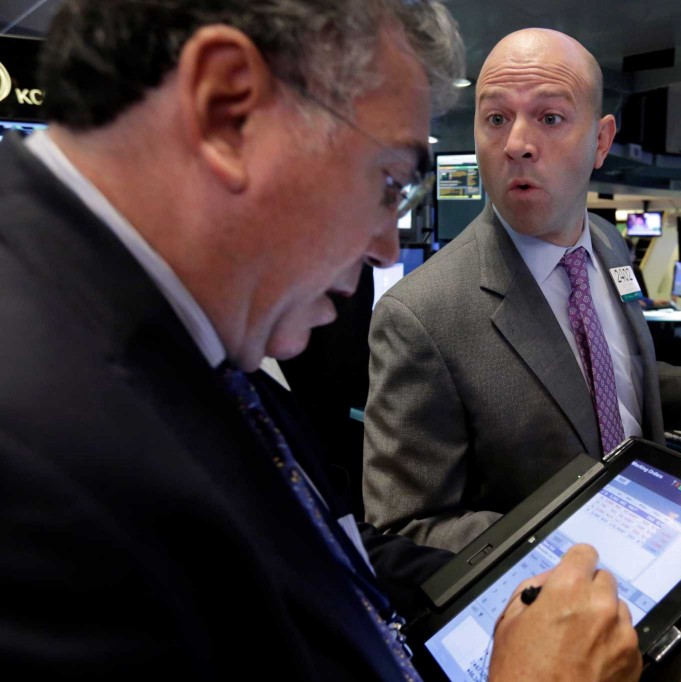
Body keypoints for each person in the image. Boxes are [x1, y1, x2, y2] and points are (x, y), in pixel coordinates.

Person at [0, 4, 640, 680]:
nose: (385, 245)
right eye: (389, 180)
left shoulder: (162, 328)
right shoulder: (32, 453)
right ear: (227, 109)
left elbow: (328, 550)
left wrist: (519, 575)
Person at [363, 28, 681, 552]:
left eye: (550, 118)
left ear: (601, 140)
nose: (518, 144)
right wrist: (576, 538)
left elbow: (605, 380)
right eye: (496, 118)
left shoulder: (608, 245)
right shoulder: (421, 315)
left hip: (657, 552)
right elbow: (404, 531)